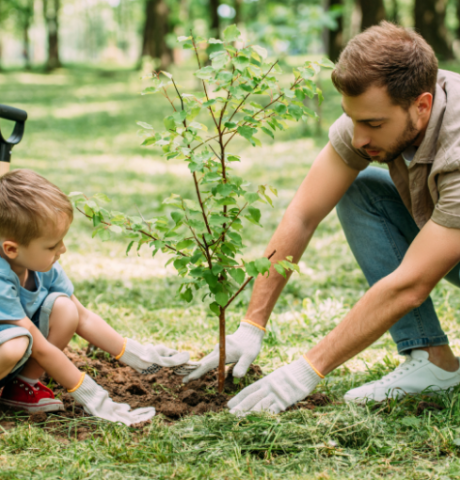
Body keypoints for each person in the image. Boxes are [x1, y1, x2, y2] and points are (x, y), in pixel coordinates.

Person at [184, 22, 460, 414]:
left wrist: (307, 369)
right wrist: (252, 324)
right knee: (360, 188)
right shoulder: (375, 116)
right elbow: (302, 214)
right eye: (354, 118)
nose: (359, 137)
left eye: (374, 124)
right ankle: (433, 361)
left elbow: (411, 284)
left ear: (422, 105)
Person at [0, 169, 191, 424]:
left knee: (65, 308)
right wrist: (94, 398)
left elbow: (83, 317)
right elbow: (43, 349)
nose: (63, 250)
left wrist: (137, 356)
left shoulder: (43, 267)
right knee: (16, 345)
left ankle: (22, 388)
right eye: (52, 245)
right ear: (11, 249)